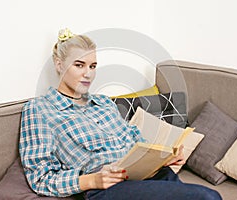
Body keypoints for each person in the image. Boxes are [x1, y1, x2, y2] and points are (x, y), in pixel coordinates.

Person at [19, 28, 222, 200]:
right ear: (59, 64)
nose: (88, 74)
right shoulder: (39, 109)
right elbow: (40, 177)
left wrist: (163, 158)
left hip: (146, 175)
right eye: (79, 65)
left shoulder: (104, 103)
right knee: (207, 197)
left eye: (93, 66)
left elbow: (137, 143)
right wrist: (91, 180)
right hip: (108, 187)